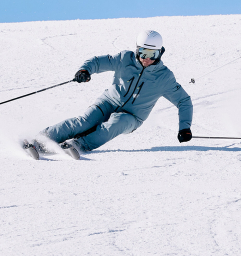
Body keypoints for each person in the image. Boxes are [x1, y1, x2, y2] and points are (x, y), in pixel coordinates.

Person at [26, 30, 193, 159]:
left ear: (160, 53)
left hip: (132, 116)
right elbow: (98, 62)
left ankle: (78, 145)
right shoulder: (124, 59)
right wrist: (85, 70)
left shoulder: (164, 77)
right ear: (137, 50)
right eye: (143, 52)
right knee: (84, 122)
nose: (147, 59)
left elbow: (184, 101)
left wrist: (185, 127)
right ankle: (41, 140)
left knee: (115, 124)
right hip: (109, 101)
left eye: (152, 54)